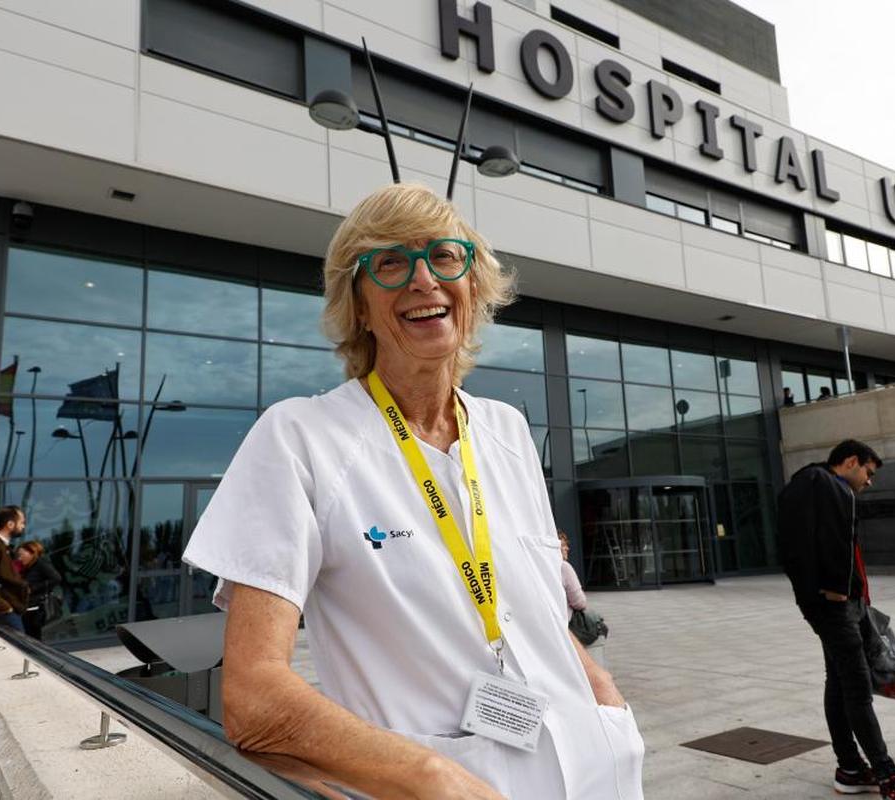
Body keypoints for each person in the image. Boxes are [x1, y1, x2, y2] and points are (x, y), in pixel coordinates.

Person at [183, 183, 644, 800]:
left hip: (599, 776)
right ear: (360, 305)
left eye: (444, 257)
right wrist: (433, 777)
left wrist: (604, 698)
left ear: (471, 286)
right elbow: (254, 697)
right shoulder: (301, 438)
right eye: (391, 263)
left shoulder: (505, 430)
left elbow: (532, 612)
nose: (423, 280)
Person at [777, 440, 895, 800]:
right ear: (851, 461)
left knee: (838, 681)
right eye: (868, 472)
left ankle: (850, 769)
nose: (869, 482)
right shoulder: (831, 486)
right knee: (856, 685)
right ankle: (887, 775)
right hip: (835, 604)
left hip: (830, 602)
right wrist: (836, 587)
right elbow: (831, 542)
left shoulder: (808, 485)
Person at [15, 540, 62, 639]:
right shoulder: (28, 567)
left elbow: (56, 578)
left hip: (37, 609)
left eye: (21, 555)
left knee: (34, 639)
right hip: (28, 609)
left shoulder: (41, 563)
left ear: (31, 552)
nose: (19, 558)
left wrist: (33, 589)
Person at [557, 531, 587, 619]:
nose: (567, 548)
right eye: (563, 545)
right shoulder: (563, 567)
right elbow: (580, 602)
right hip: (565, 621)